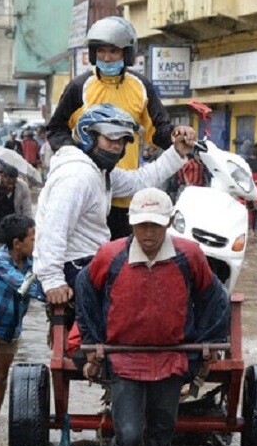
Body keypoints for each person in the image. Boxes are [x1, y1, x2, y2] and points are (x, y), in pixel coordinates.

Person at [74, 187, 229, 446]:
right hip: (124, 358)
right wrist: (93, 341)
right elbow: (85, 289)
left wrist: (207, 343)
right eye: (143, 225)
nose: (148, 233)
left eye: (156, 225)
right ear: (132, 223)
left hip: (171, 356)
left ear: (168, 223)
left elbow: (215, 296)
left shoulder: (189, 255)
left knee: (161, 434)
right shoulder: (111, 255)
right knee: (130, 435)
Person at [46, 16, 194, 240]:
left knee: (120, 260)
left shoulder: (141, 87)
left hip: (125, 192)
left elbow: (159, 131)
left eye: (114, 51)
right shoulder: (78, 87)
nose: (106, 57)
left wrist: (176, 135)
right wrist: (79, 158)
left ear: (127, 53)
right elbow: (56, 129)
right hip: (88, 188)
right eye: (102, 51)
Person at [36, 103, 194, 312]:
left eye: (121, 140)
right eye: (110, 139)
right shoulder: (77, 176)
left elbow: (140, 180)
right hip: (75, 266)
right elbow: (53, 229)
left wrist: (176, 153)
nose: (116, 146)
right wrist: (52, 280)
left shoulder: (100, 172)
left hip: (92, 261)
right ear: (88, 137)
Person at [0, 213, 45, 418]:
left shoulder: (32, 262)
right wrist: (50, 295)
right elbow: (23, 286)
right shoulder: (0, 260)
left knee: (2, 376)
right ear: (17, 243)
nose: (36, 243)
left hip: (11, 329)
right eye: (32, 239)